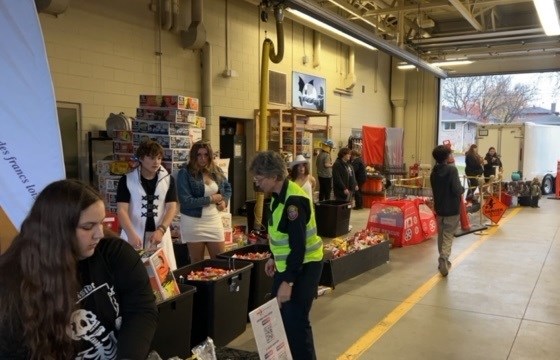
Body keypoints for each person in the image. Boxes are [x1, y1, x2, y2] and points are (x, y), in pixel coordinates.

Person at [0, 179, 158, 359]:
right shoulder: (12, 283)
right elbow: (12, 350)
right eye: (87, 227)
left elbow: (141, 309)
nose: (99, 234)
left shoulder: (114, 253)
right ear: (56, 229)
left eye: (101, 223)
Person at [250, 151, 323, 360]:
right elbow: (279, 234)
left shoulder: (294, 201)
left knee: (296, 322)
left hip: (305, 266)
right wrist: (273, 256)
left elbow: (298, 247)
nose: (257, 183)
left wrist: (288, 282)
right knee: (280, 318)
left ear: (273, 177)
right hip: (289, 266)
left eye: (259, 179)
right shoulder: (277, 198)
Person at [116, 140, 178, 270]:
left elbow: (172, 207)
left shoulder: (168, 179)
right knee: (132, 272)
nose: (156, 162)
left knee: (163, 275)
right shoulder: (127, 180)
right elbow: (122, 210)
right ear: (141, 158)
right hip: (134, 233)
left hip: (159, 235)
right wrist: (130, 234)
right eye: (151, 157)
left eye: (159, 158)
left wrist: (162, 229)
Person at [177, 140, 232, 263]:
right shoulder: (185, 173)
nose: (202, 158)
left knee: (221, 260)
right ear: (193, 156)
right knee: (197, 262)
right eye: (199, 155)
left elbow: (227, 187)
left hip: (213, 219)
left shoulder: (216, 170)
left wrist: (224, 201)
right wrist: (210, 199)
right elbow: (185, 201)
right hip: (192, 221)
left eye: (206, 155)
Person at [430, 145, 465, 277]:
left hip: (439, 209)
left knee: (442, 234)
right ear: (447, 157)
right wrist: (463, 189)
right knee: (448, 235)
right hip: (452, 208)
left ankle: (442, 260)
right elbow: (457, 190)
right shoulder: (452, 170)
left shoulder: (433, 172)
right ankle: (444, 258)